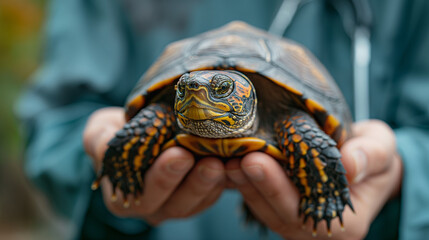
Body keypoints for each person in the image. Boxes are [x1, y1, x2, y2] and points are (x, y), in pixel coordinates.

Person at [18, 0, 429, 239]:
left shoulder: (286, 117)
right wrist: (112, 180)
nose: (195, 92)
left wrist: (398, 181)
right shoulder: (166, 114)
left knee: (305, 135)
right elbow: (59, 123)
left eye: (218, 90)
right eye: (186, 90)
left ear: (249, 97)